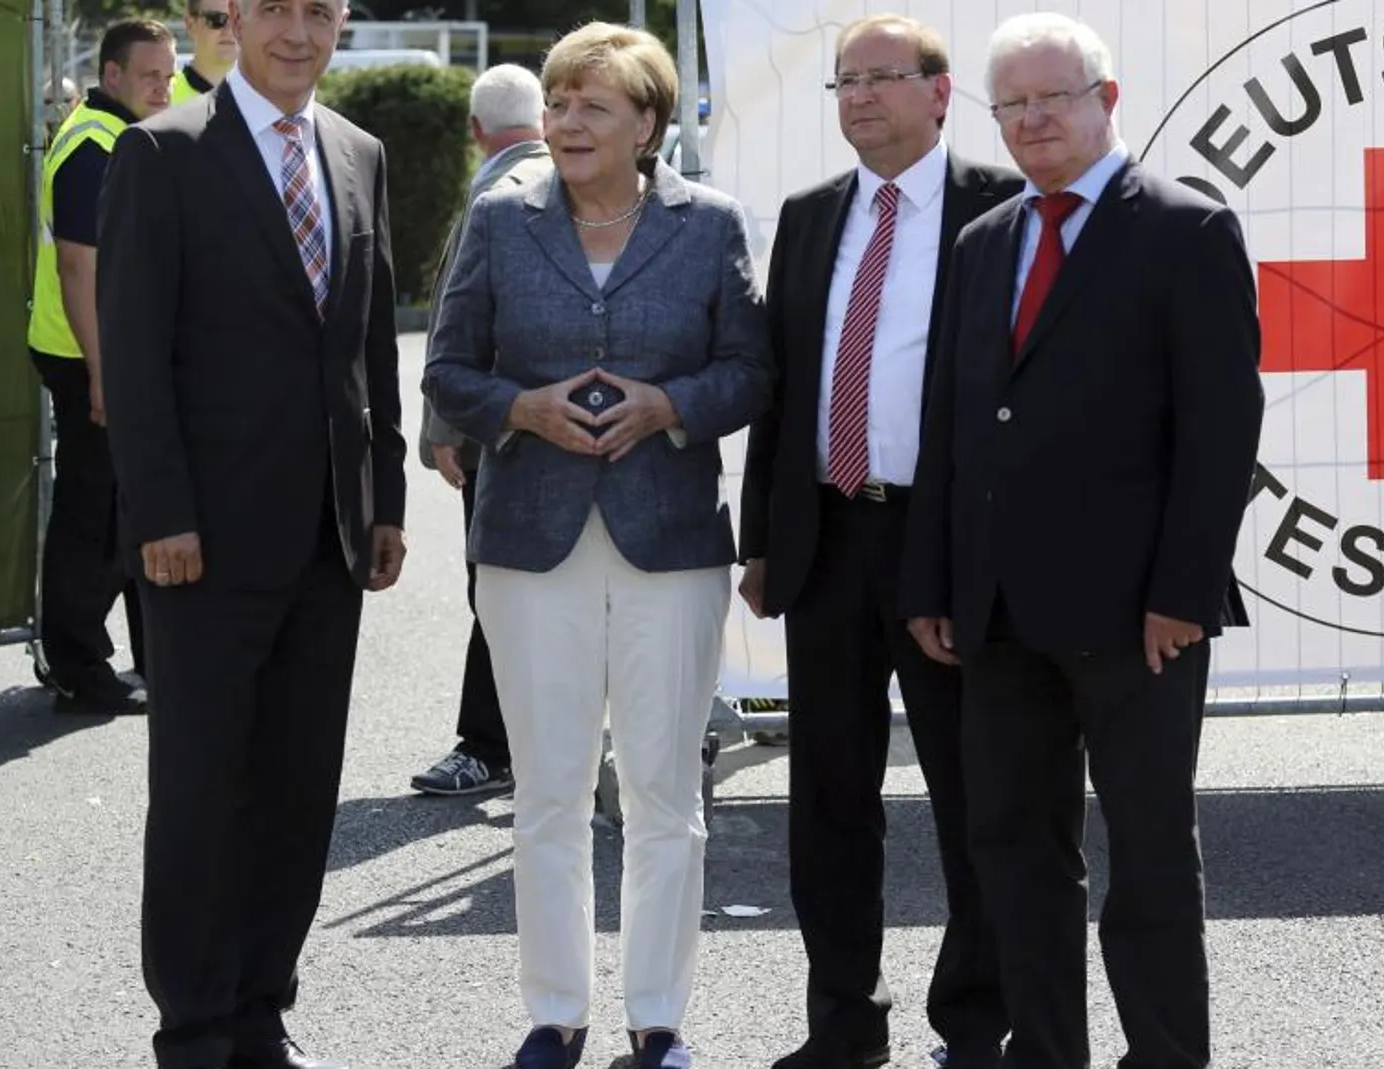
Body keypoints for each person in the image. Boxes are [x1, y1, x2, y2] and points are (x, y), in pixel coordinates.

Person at [900, 12, 1264, 1069]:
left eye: (1051, 98)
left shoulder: (1185, 230)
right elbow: (953, 424)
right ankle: (1043, 1052)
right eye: (1009, 103)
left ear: (1107, 101)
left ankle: (1164, 1055)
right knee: (1014, 849)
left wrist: (1184, 592)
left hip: (1135, 615)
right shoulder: (983, 243)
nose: (1030, 120)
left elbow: (1219, 432)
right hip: (998, 613)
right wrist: (934, 581)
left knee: (1147, 856)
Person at [422, 21, 771, 1069]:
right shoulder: (498, 220)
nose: (568, 122)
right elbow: (446, 371)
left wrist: (670, 403)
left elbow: (750, 370)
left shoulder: (707, 226)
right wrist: (519, 409)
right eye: (560, 103)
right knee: (548, 790)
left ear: (647, 124)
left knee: (665, 793)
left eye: (593, 106)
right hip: (531, 543)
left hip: (669, 542)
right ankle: (555, 1015)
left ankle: (658, 1019)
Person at [96, 0, 408, 1064]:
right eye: (276, 7)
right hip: (204, 546)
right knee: (198, 788)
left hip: (330, 537)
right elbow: (133, 358)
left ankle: (261, 1008)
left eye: (320, 11)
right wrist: (162, 516)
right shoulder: (160, 152)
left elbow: (370, 342)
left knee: (296, 788)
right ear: (234, 18)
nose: (298, 31)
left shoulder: (359, 151)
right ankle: (192, 1026)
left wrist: (388, 502)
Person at [736, 14, 1025, 1069]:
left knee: (971, 794)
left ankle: (973, 1024)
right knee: (828, 797)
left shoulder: (1003, 209)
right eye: (844, 83)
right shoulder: (812, 218)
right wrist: (762, 536)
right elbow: (782, 388)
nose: (859, 98)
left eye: (881, 79)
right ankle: (843, 1025)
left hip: (942, 544)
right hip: (824, 543)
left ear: (940, 93)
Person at [409, 62, 553, 797]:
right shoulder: (583, 181)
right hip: (580, 430)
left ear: (474, 130)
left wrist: (441, 428)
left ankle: (488, 747)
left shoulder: (489, 199)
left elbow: (452, 326)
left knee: (493, 590)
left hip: (499, 431)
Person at [26, 17, 175, 715]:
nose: (163, 86)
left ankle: (116, 657)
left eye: (168, 73)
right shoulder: (93, 145)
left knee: (116, 507)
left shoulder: (115, 133)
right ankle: (79, 667)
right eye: (149, 75)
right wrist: (102, 372)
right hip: (85, 352)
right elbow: (77, 267)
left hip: (103, 350)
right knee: (92, 517)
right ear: (111, 74)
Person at [171, 0, 238, 103]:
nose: (229, 30)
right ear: (190, 24)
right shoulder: (163, 96)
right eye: (216, 19)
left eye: (238, 19)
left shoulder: (266, 97)